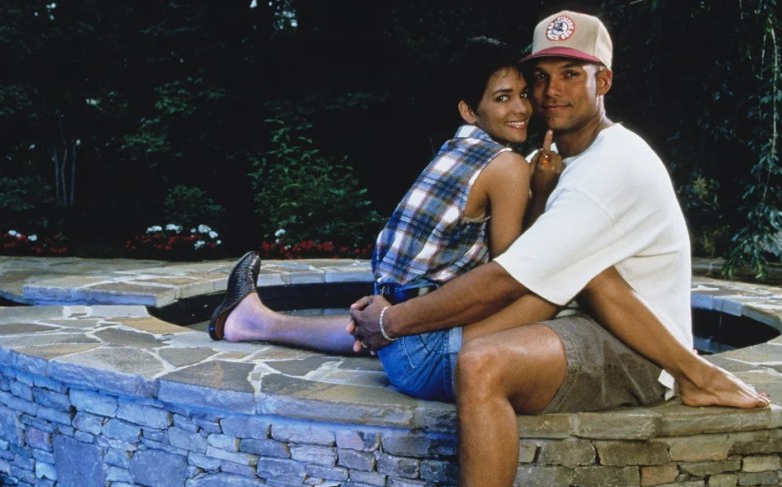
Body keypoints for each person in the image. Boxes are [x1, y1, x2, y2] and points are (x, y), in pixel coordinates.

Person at [346, 10, 770, 487]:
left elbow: (505, 277)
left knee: (479, 363)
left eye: (572, 74)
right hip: (584, 313)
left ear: (604, 81)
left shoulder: (611, 166)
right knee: (437, 332)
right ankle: (262, 320)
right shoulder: (558, 160)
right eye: (541, 76)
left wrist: (391, 320)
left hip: (637, 349)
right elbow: (535, 260)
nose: (550, 91)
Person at [209, 37, 563, 401]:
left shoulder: (456, 149)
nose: (521, 108)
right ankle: (251, 319)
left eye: (522, 94)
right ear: (470, 111)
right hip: (421, 353)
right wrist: (544, 191)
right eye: (502, 98)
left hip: (393, 329)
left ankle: (250, 320)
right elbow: (513, 272)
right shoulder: (508, 166)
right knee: (560, 282)